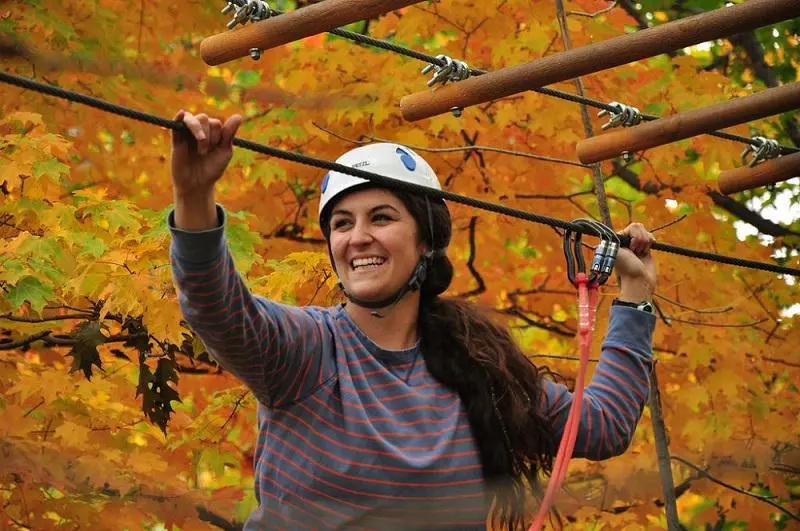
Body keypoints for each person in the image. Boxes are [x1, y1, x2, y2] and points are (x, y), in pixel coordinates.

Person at [168, 110, 657, 531]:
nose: (358, 237)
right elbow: (216, 307)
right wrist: (194, 198)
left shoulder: (478, 365)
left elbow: (601, 426)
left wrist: (634, 296)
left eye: (381, 218)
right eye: (342, 224)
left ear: (425, 241)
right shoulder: (306, 349)